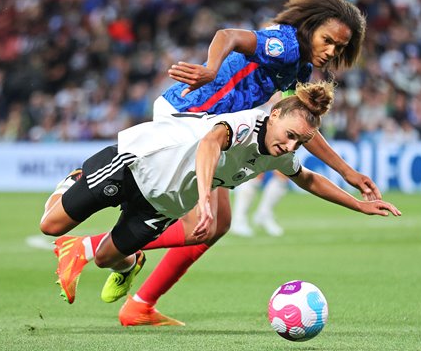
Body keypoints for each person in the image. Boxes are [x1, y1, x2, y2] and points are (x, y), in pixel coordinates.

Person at [48, 0, 383, 325]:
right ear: (310, 28)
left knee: (217, 225)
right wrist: (210, 69)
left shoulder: (301, 64)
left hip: (215, 126)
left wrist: (348, 173)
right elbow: (229, 36)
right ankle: (93, 248)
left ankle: (138, 299)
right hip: (192, 117)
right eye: (328, 41)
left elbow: (298, 124)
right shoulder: (286, 44)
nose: (331, 51)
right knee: (199, 225)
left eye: (338, 49)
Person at [40, 82, 400, 324]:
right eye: (290, 136)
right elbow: (211, 142)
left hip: (161, 207)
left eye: (299, 143)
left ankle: (130, 263)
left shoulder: (278, 152)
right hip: (136, 164)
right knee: (51, 226)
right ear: (274, 115)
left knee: (106, 258)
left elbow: (307, 178)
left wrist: (359, 204)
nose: (291, 146)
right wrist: (204, 201)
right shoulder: (245, 125)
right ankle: (74, 180)